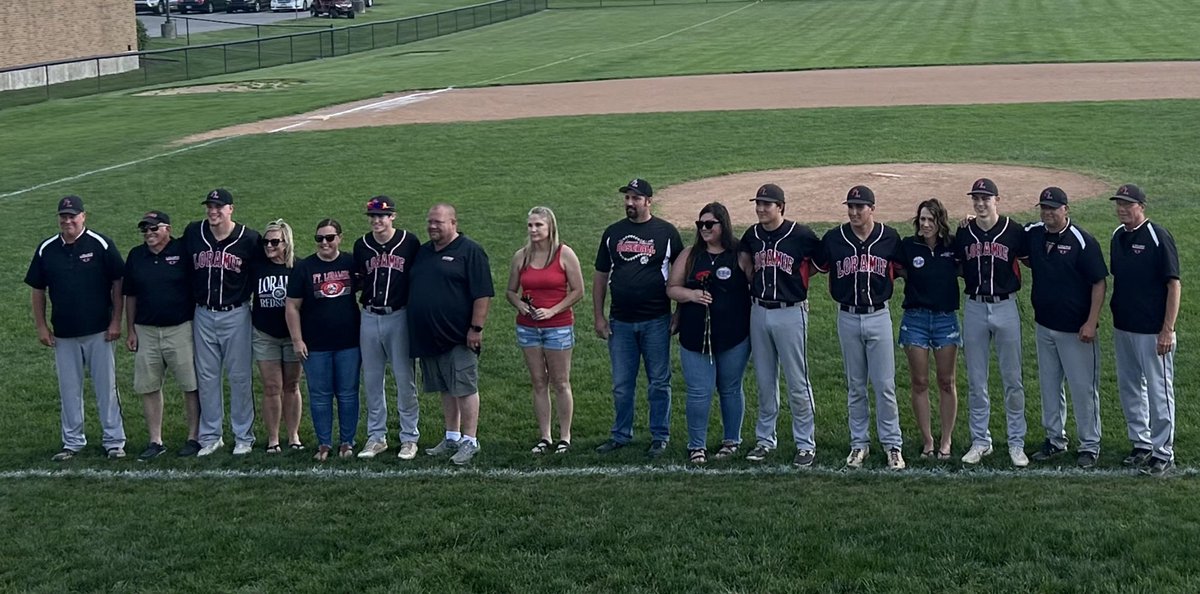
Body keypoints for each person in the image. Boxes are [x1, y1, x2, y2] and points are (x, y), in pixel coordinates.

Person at [26, 195, 127, 461]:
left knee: (107, 388)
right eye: (63, 216)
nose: (68, 220)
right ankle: (72, 442)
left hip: (99, 331)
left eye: (73, 215)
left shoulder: (101, 244)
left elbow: (118, 282)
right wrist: (41, 326)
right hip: (63, 333)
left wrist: (117, 320)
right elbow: (37, 289)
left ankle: (114, 441)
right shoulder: (47, 248)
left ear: (84, 216)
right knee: (69, 389)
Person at [812, 186, 905, 470]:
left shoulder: (889, 237)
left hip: (879, 315)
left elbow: (903, 269)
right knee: (855, 385)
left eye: (860, 207)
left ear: (872, 209)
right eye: (850, 207)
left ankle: (893, 445)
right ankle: (859, 444)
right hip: (848, 316)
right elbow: (817, 264)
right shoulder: (834, 238)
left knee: (885, 385)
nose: (854, 212)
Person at [593, 178, 684, 458]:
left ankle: (660, 435)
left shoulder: (666, 233)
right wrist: (598, 315)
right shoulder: (613, 233)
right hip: (620, 321)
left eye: (635, 198)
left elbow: (681, 275)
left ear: (648, 201)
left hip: (656, 319)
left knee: (659, 381)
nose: (630, 203)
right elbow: (600, 276)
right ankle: (621, 434)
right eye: (627, 198)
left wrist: (678, 313)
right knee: (622, 384)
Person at [737, 183, 822, 467]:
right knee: (764, 381)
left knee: (797, 381)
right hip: (758, 311)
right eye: (758, 204)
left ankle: (806, 443)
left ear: (781, 207)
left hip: (790, 312)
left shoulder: (801, 234)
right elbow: (745, 261)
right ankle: (764, 440)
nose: (761, 209)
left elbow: (821, 262)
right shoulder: (753, 234)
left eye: (767, 204)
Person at [1022, 187, 1108, 469]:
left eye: (1053, 208)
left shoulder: (1083, 241)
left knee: (1083, 388)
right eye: (1044, 207)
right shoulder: (1035, 233)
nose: (1047, 213)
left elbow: (1099, 282)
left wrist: (1091, 322)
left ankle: (1090, 444)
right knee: (1049, 386)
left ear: (1065, 209)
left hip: (1076, 330)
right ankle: (1055, 439)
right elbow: (1009, 236)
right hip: (1044, 325)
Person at [408, 204, 495, 466]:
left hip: (459, 335)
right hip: (429, 335)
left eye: (439, 222)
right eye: (430, 221)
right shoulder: (423, 252)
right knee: (445, 387)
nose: (432, 226)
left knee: (464, 387)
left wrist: (476, 329)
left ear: (453, 223)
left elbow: (482, 294)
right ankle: (452, 436)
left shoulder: (470, 251)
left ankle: (470, 440)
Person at [667, 202, 750, 464]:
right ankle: (697, 446)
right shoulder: (690, 255)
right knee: (699, 392)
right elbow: (672, 288)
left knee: (730, 389)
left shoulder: (739, 253)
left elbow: (755, 284)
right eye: (699, 224)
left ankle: (731, 441)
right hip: (695, 337)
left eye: (709, 224)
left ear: (722, 225)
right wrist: (691, 295)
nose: (703, 229)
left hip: (733, 336)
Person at [955, 178, 1029, 467]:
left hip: (1006, 306)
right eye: (976, 198)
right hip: (974, 306)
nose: (981, 203)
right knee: (976, 379)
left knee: (1012, 379)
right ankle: (980, 441)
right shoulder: (964, 232)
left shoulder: (1014, 231)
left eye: (986, 198)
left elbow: (1030, 252)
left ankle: (1016, 442)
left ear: (997, 200)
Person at [1108, 184, 1180, 476]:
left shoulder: (1157, 236)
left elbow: (1173, 284)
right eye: (1119, 204)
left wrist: (1167, 329)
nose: (1123, 209)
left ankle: (1163, 451)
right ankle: (1141, 443)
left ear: (1142, 206)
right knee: (1130, 388)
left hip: (1152, 330)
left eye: (1128, 204)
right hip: (1123, 326)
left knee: (1159, 391)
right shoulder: (1117, 236)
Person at [183, 188, 262, 457]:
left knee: (239, 377)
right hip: (203, 313)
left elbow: (259, 274)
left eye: (219, 206)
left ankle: (243, 436)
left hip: (236, 313)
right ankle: (210, 436)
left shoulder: (249, 238)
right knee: (206, 377)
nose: (213, 211)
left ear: (231, 209)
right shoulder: (195, 232)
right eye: (210, 206)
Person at [505, 206, 584, 455]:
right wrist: (521, 306)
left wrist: (552, 311)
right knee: (538, 382)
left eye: (538, 225)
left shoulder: (564, 254)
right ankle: (545, 436)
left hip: (558, 327)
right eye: (530, 225)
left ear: (550, 227)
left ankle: (565, 436)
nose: (533, 230)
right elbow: (510, 291)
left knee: (560, 382)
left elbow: (578, 290)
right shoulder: (522, 256)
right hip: (528, 328)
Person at [123, 210, 201, 460]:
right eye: (145, 230)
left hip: (180, 328)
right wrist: (131, 329)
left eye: (154, 229)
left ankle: (194, 436)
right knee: (148, 386)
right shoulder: (136, 256)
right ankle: (155, 440)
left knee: (190, 385)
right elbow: (130, 295)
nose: (149, 234)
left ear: (167, 228)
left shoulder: (183, 251)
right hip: (146, 330)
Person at [286, 219, 361, 461]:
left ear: (340, 237)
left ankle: (347, 442)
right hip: (315, 344)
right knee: (319, 396)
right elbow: (292, 306)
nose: (324, 243)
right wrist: (297, 340)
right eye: (320, 238)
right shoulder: (305, 267)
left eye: (329, 237)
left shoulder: (351, 262)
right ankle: (324, 443)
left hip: (349, 342)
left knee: (348, 394)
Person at [353, 196, 421, 460]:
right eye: (372, 216)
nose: (376, 221)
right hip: (369, 315)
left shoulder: (409, 242)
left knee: (405, 380)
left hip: (399, 315)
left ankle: (409, 437)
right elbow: (358, 278)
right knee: (372, 380)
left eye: (382, 216)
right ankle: (376, 436)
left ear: (393, 216)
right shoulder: (362, 244)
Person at [895, 198, 960, 461]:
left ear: (940, 221)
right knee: (919, 382)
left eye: (931, 219)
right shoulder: (908, 246)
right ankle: (928, 440)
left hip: (945, 319)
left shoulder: (953, 245)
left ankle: (946, 439)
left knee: (947, 381)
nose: (925, 224)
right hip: (916, 319)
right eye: (922, 219)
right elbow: (899, 271)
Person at [251, 219, 304, 453]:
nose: (269, 246)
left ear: (286, 243)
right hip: (265, 334)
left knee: (292, 386)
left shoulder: (298, 268)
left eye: (275, 241)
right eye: (266, 241)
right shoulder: (258, 267)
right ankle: (273, 438)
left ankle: (293, 436)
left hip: (293, 335)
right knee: (272, 387)